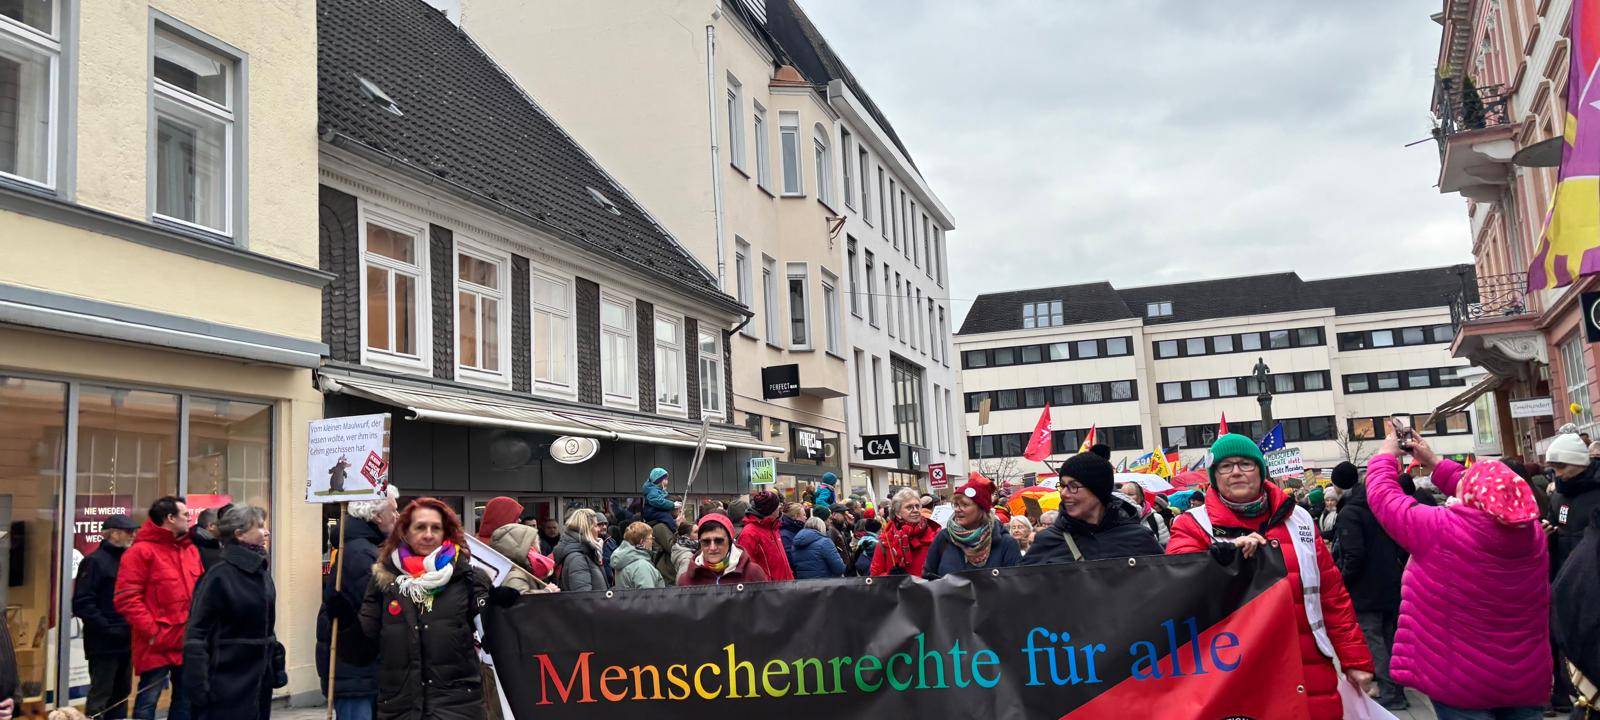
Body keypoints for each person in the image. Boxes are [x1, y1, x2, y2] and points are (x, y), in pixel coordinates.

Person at [1167, 435, 1374, 720]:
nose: (1236, 471)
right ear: (1214, 477)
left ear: (1260, 470)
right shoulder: (1192, 525)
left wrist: (1354, 659)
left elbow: (1331, 594)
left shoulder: (1299, 519)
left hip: (1307, 665)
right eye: (1226, 466)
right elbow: (1176, 586)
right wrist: (1219, 562)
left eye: (1245, 464)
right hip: (1233, 671)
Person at [1365, 428, 1550, 719]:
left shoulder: (1441, 530)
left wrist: (1385, 455)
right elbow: (1482, 493)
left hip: (1459, 682)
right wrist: (1436, 463)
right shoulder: (1534, 536)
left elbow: (1384, 498)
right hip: (1523, 680)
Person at [333, 498, 496, 720]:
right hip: (400, 710)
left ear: (446, 532)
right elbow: (361, 653)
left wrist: (501, 607)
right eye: (420, 527)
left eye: (435, 528)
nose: (428, 534)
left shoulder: (468, 579)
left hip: (456, 709)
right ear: (405, 532)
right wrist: (345, 622)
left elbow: (495, 640)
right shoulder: (384, 581)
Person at [183, 506, 285, 720]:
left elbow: (267, 624)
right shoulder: (219, 575)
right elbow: (197, 634)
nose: (266, 532)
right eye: (258, 526)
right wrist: (199, 684)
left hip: (259, 684)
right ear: (239, 534)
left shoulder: (262, 574)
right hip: (225, 685)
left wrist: (275, 662)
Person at [1329, 461, 1409, 710]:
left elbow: (1354, 555)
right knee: (1388, 638)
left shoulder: (1350, 513)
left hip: (1366, 589)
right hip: (1389, 583)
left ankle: (1390, 691)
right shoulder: (1375, 506)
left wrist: (1341, 582)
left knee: (1374, 640)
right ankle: (1396, 689)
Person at [116, 496, 204, 720]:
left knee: (185, 700)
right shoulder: (140, 552)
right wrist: (153, 633)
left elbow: (201, 593)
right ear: (170, 518)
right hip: (156, 643)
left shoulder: (189, 550)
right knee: (148, 701)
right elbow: (126, 599)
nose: (189, 518)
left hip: (186, 640)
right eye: (185, 514)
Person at [318, 486, 400, 720]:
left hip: (357, 670)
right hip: (355, 671)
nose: (397, 516)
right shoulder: (361, 554)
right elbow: (378, 609)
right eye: (393, 510)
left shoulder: (363, 548)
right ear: (376, 516)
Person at [1023, 453, 1160, 565]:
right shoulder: (1047, 541)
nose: (1064, 493)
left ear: (1097, 490)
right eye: (1063, 486)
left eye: (1073, 486)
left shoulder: (1138, 538)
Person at [74, 514, 138, 720]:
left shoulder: (128, 560)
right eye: (129, 532)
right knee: (101, 694)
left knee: (121, 693)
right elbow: (83, 603)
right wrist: (108, 628)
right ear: (115, 534)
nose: (133, 535)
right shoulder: (94, 562)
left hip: (125, 639)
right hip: (103, 643)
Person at [923, 474, 1020, 579]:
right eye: (956, 505)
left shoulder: (1006, 543)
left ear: (981, 509)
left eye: (964, 505)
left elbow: (1014, 585)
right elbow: (929, 577)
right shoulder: (943, 538)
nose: (957, 509)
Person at [477, 496, 554, 594]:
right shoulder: (491, 550)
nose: (519, 521)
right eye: (516, 517)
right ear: (503, 517)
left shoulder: (485, 546)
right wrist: (547, 591)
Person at [678, 514, 768, 586]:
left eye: (719, 541)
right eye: (706, 542)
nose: (712, 548)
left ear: (730, 542)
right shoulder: (686, 579)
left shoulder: (753, 573)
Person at [870, 488, 940, 576]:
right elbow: (875, 576)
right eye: (909, 507)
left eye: (917, 506)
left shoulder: (935, 535)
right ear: (898, 513)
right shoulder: (886, 541)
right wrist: (889, 576)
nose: (915, 510)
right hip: (897, 589)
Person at [736, 490, 794, 581]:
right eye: (777, 506)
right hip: (768, 591)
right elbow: (746, 568)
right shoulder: (749, 533)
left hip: (784, 588)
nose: (779, 508)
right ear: (771, 510)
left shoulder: (774, 527)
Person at [553, 508, 610, 592]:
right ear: (586, 528)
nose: (598, 529)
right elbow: (584, 598)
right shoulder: (577, 558)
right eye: (596, 525)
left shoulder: (586, 552)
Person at [612, 522, 666, 589]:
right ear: (642, 542)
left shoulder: (623, 560)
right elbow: (648, 597)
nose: (652, 542)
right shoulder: (642, 567)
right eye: (651, 539)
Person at [1119, 481, 1170, 547]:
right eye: (1123, 494)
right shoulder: (1115, 517)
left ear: (1140, 497)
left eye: (1131, 494)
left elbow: (1165, 543)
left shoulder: (1155, 518)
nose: (1126, 497)